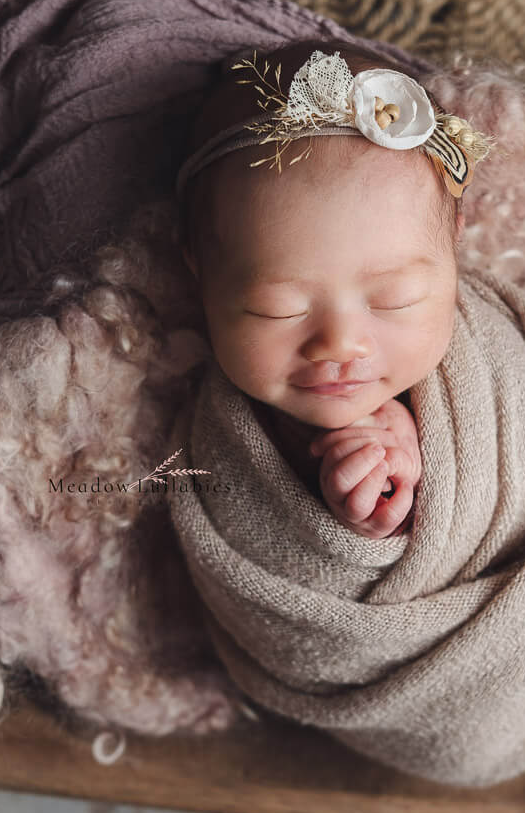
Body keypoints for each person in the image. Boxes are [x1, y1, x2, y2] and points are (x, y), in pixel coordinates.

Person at [174, 40, 486, 540]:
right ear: (199, 270)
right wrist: (364, 513)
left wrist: (421, 450)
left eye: (395, 299)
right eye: (276, 309)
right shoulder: (197, 432)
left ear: (455, 245)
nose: (340, 344)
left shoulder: (487, 358)